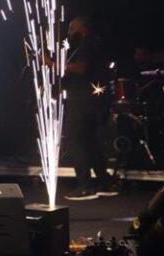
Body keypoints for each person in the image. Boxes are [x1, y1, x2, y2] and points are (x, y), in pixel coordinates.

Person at [61, 16, 117, 201]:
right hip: (96, 101)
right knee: (90, 141)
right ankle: (105, 182)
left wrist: (54, 64)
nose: (69, 32)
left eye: (72, 28)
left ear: (82, 29)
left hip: (84, 101)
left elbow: (81, 68)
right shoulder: (96, 44)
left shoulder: (87, 45)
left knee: (73, 138)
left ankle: (85, 185)